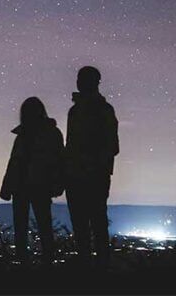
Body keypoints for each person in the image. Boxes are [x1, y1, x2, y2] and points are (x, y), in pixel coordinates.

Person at [0, 97, 65, 265]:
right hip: (30, 186)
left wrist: (7, 187)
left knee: (34, 226)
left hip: (35, 185)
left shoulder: (29, 135)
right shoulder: (48, 134)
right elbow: (14, 162)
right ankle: (38, 261)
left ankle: (35, 262)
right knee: (38, 225)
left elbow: (57, 161)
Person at [65, 65, 119, 267]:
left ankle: (96, 268)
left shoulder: (101, 110)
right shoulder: (77, 111)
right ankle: (89, 266)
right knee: (87, 224)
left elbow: (112, 146)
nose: (78, 82)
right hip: (81, 175)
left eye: (82, 79)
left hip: (92, 176)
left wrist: (88, 163)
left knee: (94, 223)